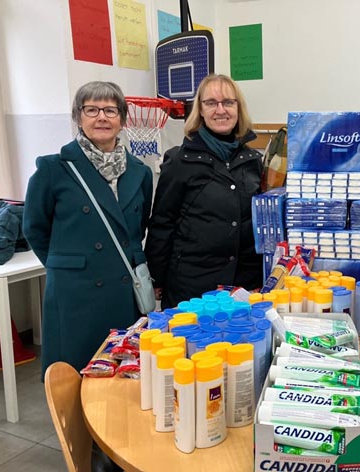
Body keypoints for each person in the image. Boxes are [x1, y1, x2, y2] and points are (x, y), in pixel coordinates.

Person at [23, 81, 153, 375]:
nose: (101, 117)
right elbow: (34, 228)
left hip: (123, 292)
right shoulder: (54, 169)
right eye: (91, 109)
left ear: (122, 118)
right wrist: (65, 267)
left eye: (110, 110)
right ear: (78, 117)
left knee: (120, 376)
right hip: (75, 294)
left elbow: (137, 229)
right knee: (73, 376)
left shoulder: (140, 172)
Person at [145, 74, 263, 308]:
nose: (221, 110)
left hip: (244, 287)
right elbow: (162, 224)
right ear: (200, 110)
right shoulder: (180, 161)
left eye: (228, 102)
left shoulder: (253, 161)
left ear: (239, 108)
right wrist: (156, 277)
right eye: (211, 103)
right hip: (192, 289)